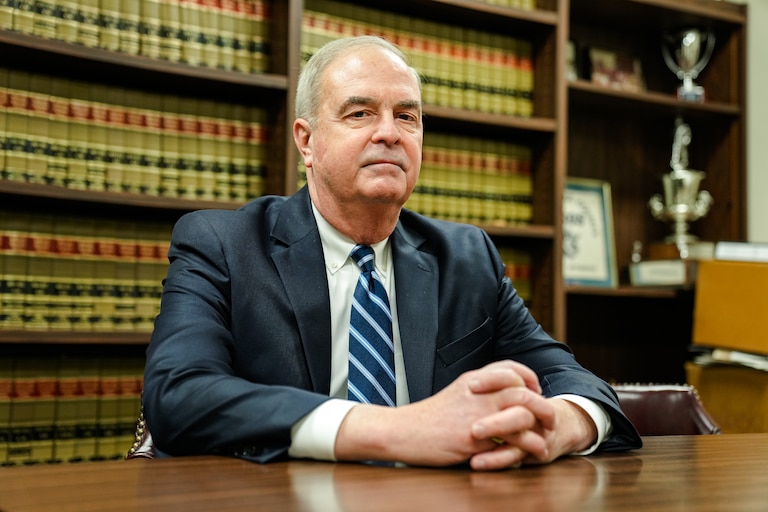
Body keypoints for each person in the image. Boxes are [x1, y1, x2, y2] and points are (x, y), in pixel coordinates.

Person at [142, 35, 642, 471]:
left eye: (407, 116)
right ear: (306, 141)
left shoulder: (466, 258)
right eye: (360, 113)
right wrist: (395, 430)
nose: (389, 132)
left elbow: (570, 378)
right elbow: (177, 395)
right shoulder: (222, 244)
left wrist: (563, 425)